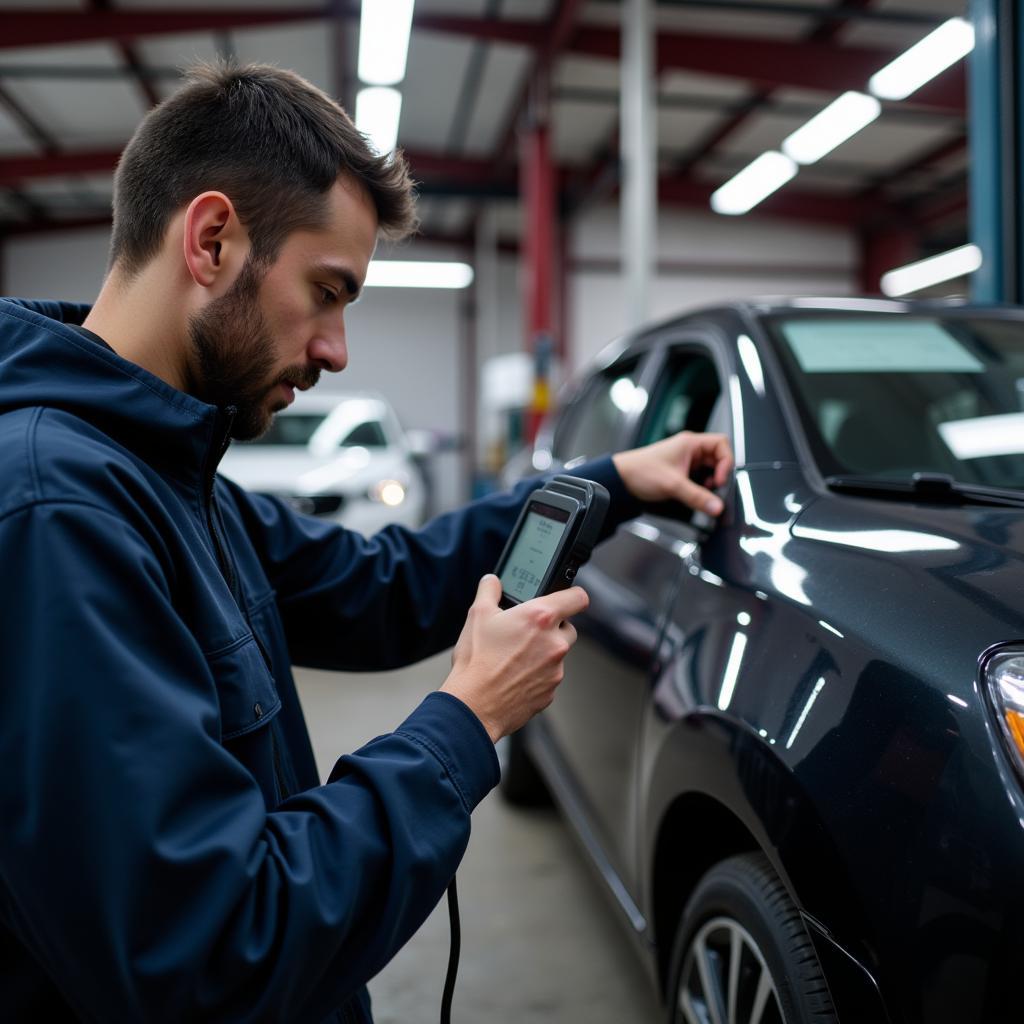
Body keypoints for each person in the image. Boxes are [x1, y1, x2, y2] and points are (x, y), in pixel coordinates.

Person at [0, 63, 733, 1023]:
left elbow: (379, 585)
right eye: (327, 290)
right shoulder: (63, 509)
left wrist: (614, 480)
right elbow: (210, 951)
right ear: (212, 239)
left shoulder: (165, 472)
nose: (337, 349)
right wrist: (463, 724)